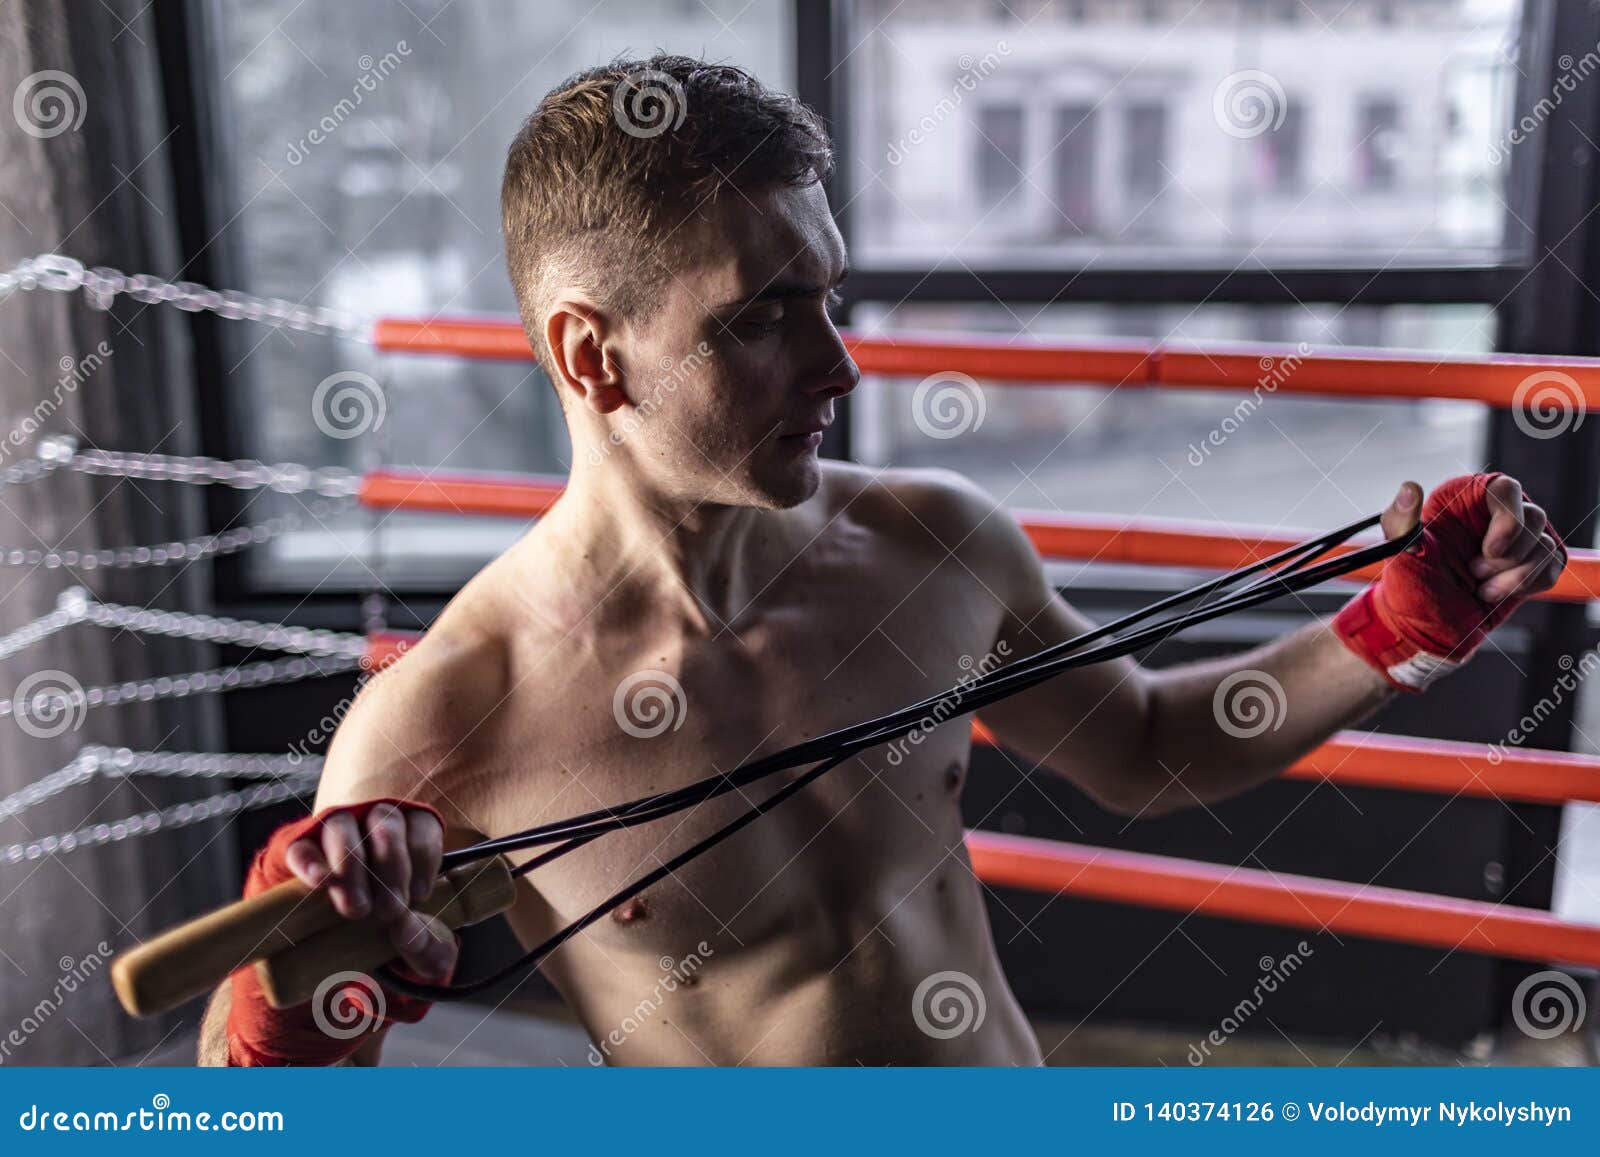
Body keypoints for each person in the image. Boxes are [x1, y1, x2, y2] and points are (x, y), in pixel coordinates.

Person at [198, 55, 1567, 1067]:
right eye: (764, 317)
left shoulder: (929, 542)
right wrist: (289, 986)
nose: (841, 363)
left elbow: (1152, 746)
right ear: (588, 355)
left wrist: (1393, 628)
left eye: (830, 294)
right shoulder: (452, 708)